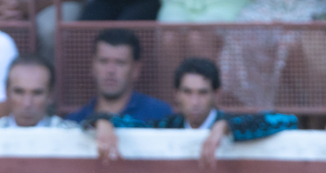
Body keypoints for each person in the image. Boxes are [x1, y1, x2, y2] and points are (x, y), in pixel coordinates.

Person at [89, 57, 297, 165]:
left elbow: (287, 120)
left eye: (202, 93)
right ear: (176, 94)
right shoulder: (170, 125)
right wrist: (104, 122)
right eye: (188, 92)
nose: (195, 101)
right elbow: (129, 124)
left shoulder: (230, 122)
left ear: (217, 94)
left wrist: (225, 126)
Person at [65, 29, 169, 126]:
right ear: (92, 66)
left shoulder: (160, 115)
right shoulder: (74, 122)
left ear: (136, 69)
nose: (110, 70)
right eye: (103, 61)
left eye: (120, 63)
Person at [0, 55, 77, 128]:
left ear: (50, 95)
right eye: (19, 92)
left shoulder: (71, 135)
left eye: (37, 93)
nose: (27, 103)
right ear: (7, 92)